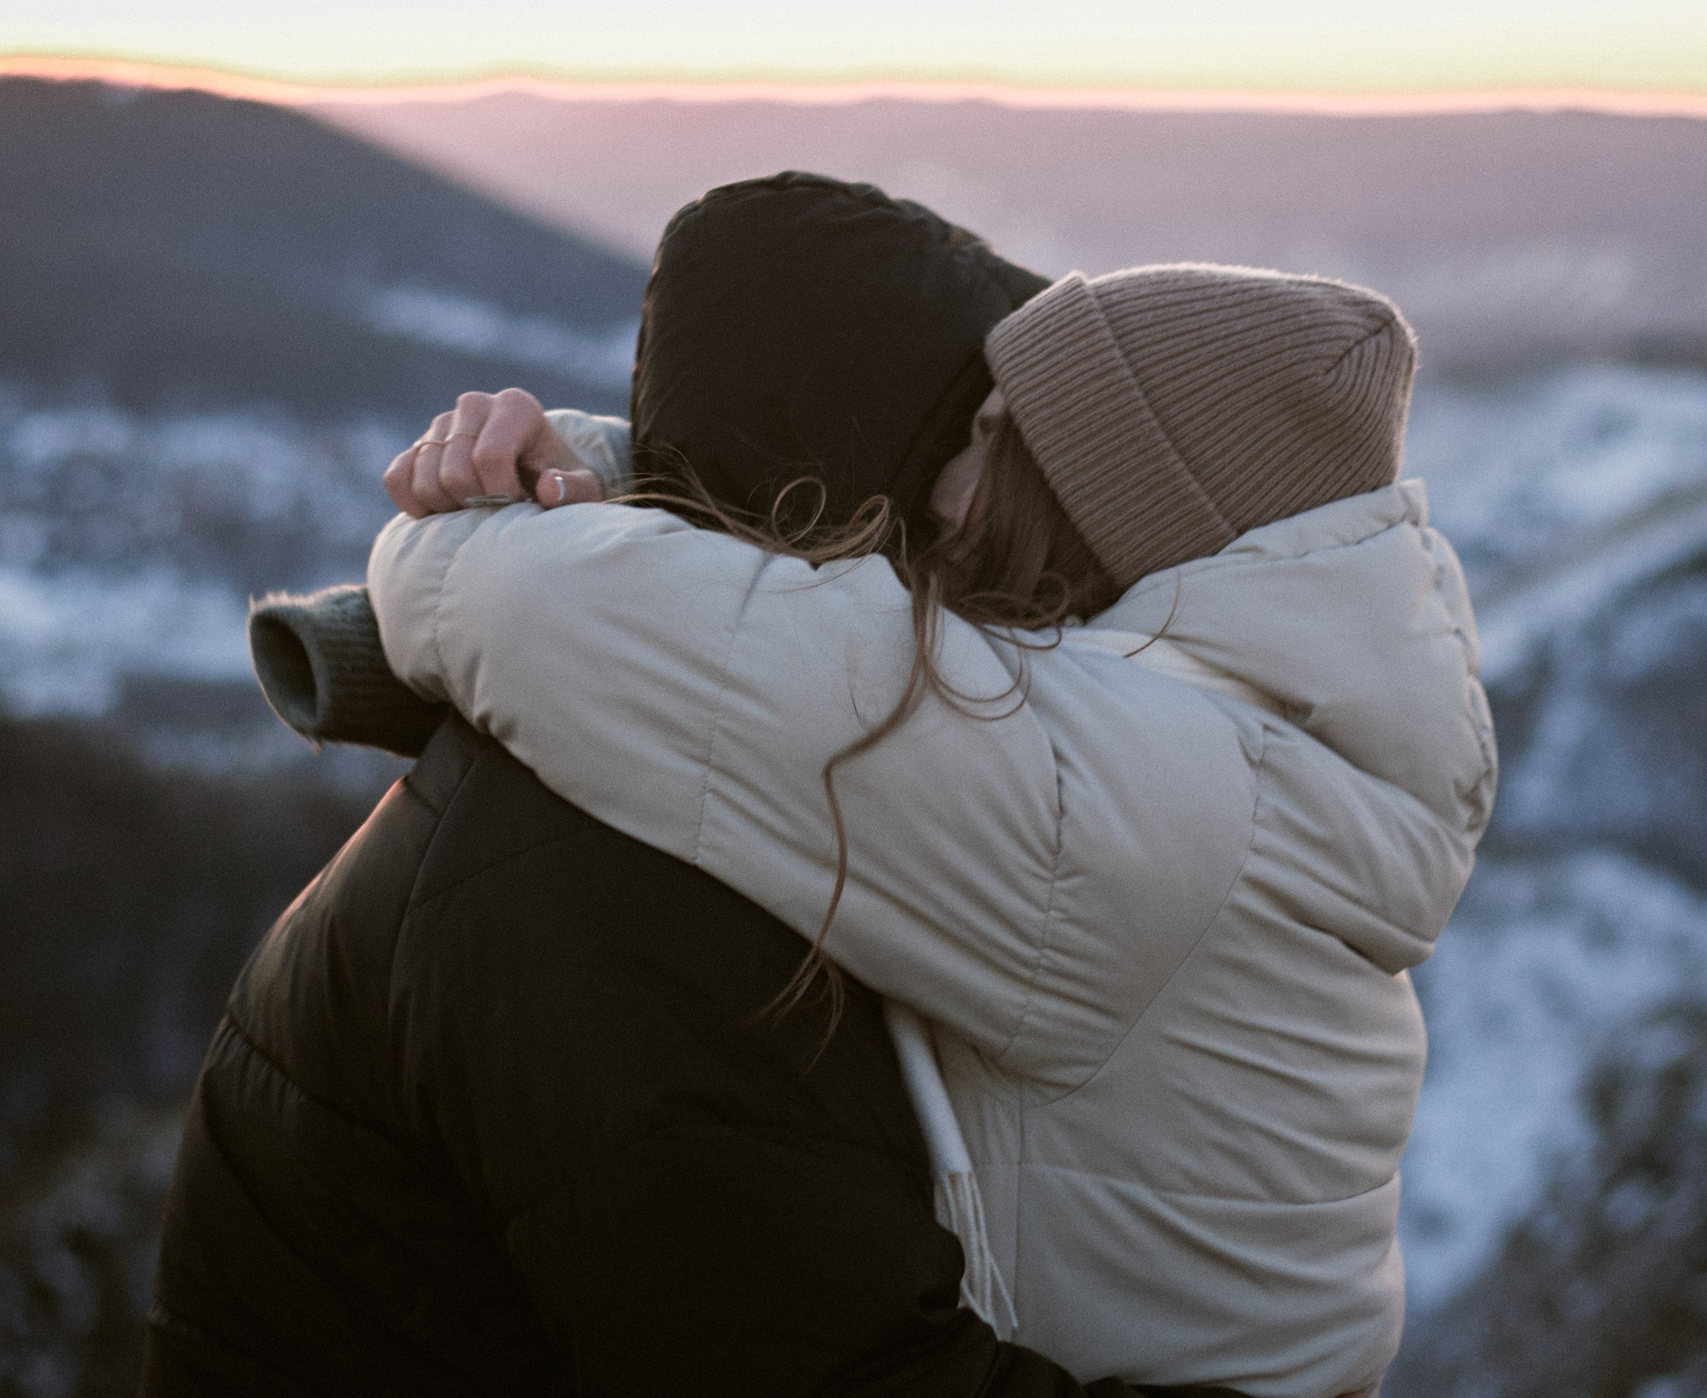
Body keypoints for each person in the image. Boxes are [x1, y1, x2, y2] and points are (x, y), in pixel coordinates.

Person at [143, 174, 1243, 1397]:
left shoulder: (683, 775)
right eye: (993, 494)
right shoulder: (621, 891)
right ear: (877, 519)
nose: (1052, 603)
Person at [372, 262, 1498, 1397]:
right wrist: (606, 482)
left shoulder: (1124, 791)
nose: (941, 490)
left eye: (989, 438)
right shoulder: (1261, 743)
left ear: (1113, 493)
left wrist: (467, 520)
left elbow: (532, 608)